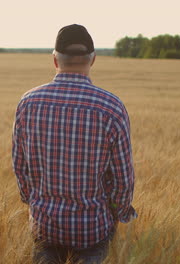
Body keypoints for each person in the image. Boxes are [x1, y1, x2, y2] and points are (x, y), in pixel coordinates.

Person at [12, 24, 137, 264]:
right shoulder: (111, 107)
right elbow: (124, 179)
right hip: (93, 229)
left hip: (44, 227)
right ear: (93, 60)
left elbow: (20, 167)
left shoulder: (28, 103)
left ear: (55, 61)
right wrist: (116, 213)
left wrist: (37, 204)